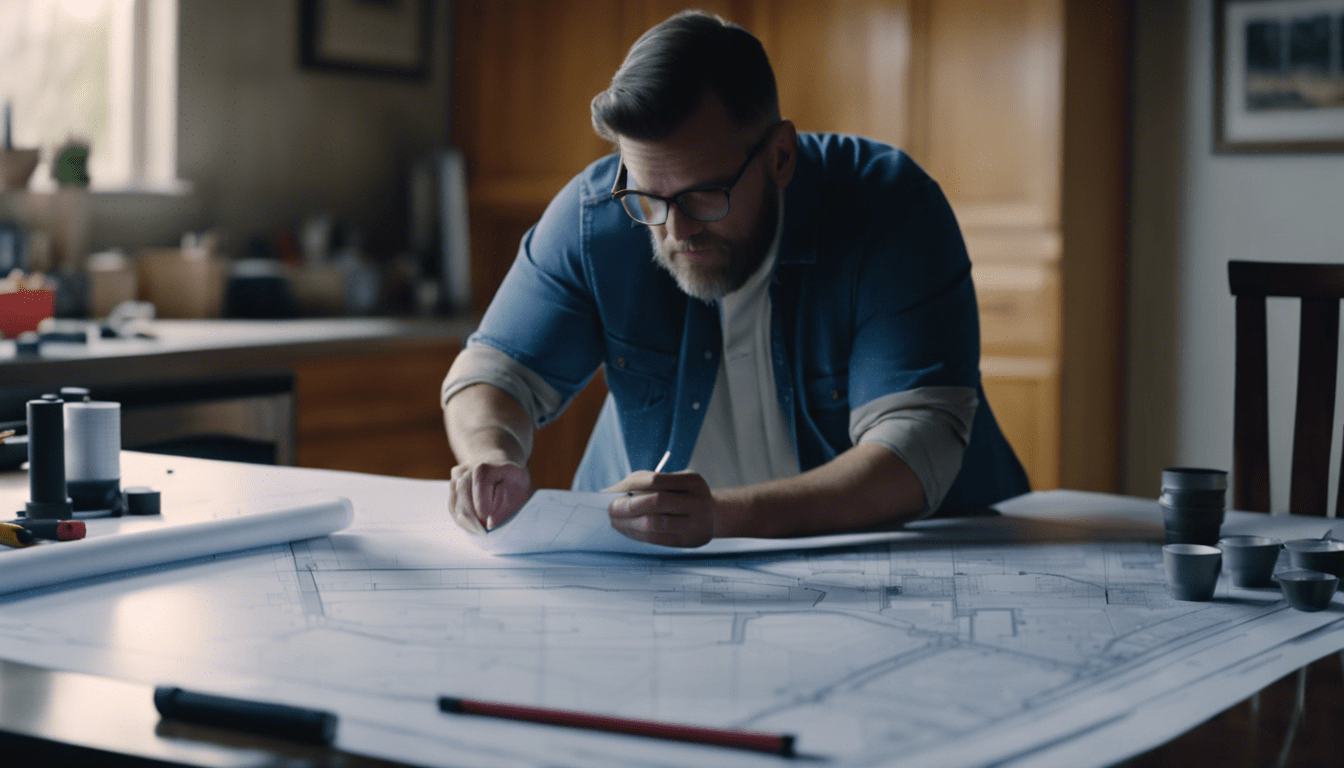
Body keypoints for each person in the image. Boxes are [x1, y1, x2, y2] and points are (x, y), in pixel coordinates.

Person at [442, 10, 1028, 547]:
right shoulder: (598, 215)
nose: (674, 229)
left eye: (703, 195)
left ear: (780, 157)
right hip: (649, 563)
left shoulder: (889, 208)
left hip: (897, 557)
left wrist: (725, 518)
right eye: (648, 197)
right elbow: (491, 374)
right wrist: (491, 455)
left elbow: (913, 449)